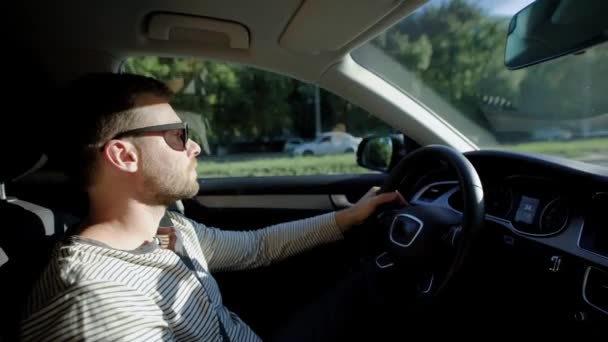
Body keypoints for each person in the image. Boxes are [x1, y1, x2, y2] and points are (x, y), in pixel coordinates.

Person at [19, 73, 405, 341]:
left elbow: (257, 248)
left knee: (372, 285)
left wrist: (350, 216)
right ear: (124, 155)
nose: (195, 146)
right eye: (176, 135)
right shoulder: (100, 300)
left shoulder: (169, 230)